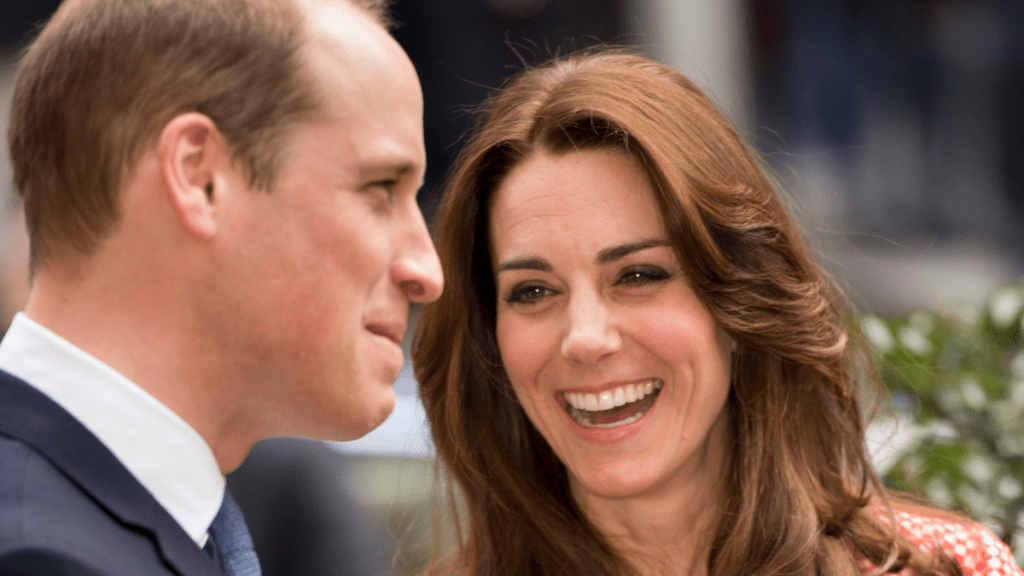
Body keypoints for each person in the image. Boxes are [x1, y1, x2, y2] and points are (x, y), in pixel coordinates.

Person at [411, 49, 1022, 576]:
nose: (586, 338)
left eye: (639, 276)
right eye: (533, 292)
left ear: (738, 303)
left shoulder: (949, 567)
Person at [0, 0, 443, 574]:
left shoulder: (103, 518)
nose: (426, 270)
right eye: (379, 188)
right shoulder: (44, 554)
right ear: (200, 178)